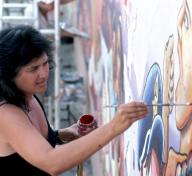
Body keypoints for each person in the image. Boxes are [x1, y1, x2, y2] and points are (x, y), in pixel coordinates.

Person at [0, 25, 148, 176]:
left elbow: (35, 140)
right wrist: (114, 127)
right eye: (33, 69)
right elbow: (52, 162)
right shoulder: (6, 115)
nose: (44, 74)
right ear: (9, 75)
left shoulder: (27, 95)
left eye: (45, 64)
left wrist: (65, 133)